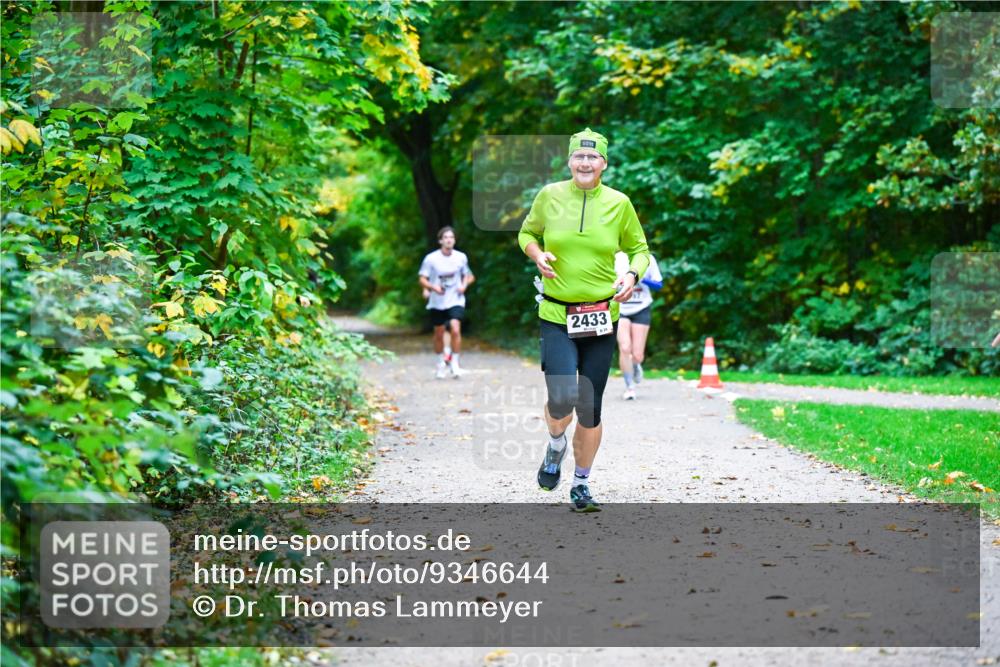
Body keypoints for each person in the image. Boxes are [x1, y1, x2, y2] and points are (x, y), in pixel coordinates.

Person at [518, 128, 651, 512]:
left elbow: (639, 249)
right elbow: (527, 231)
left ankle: (581, 484)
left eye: (593, 158)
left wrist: (630, 276)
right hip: (557, 313)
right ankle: (555, 445)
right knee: (560, 401)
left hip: (600, 317)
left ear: (604, 164)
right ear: (570, 161)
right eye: (579, 156)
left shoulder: (619, 203)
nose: (585, 163)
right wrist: (537, 254)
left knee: (590, 409)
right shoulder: (550, 196)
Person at [418, 227, 475, 378]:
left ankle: (455, 363)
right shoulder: (431, 259)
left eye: (451, 237)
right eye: (446, 237)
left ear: (454, 240)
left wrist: (464, 285)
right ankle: (440, 364)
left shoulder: (461, 257)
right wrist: (432, 287)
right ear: (440, 240)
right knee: (439, 333)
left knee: (455, 329)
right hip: (437, 301)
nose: (449, 240)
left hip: (455, 299)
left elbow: (469, 276)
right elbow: (422, 278)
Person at [614, 250, 662, 400]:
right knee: (624, 347)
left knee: (637, 355)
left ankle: (635, 365)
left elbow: (659, 285)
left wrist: (641, 279)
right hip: (620, 308)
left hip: (641, 308)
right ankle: (629, 387)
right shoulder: (615, 258)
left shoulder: (647, 258)